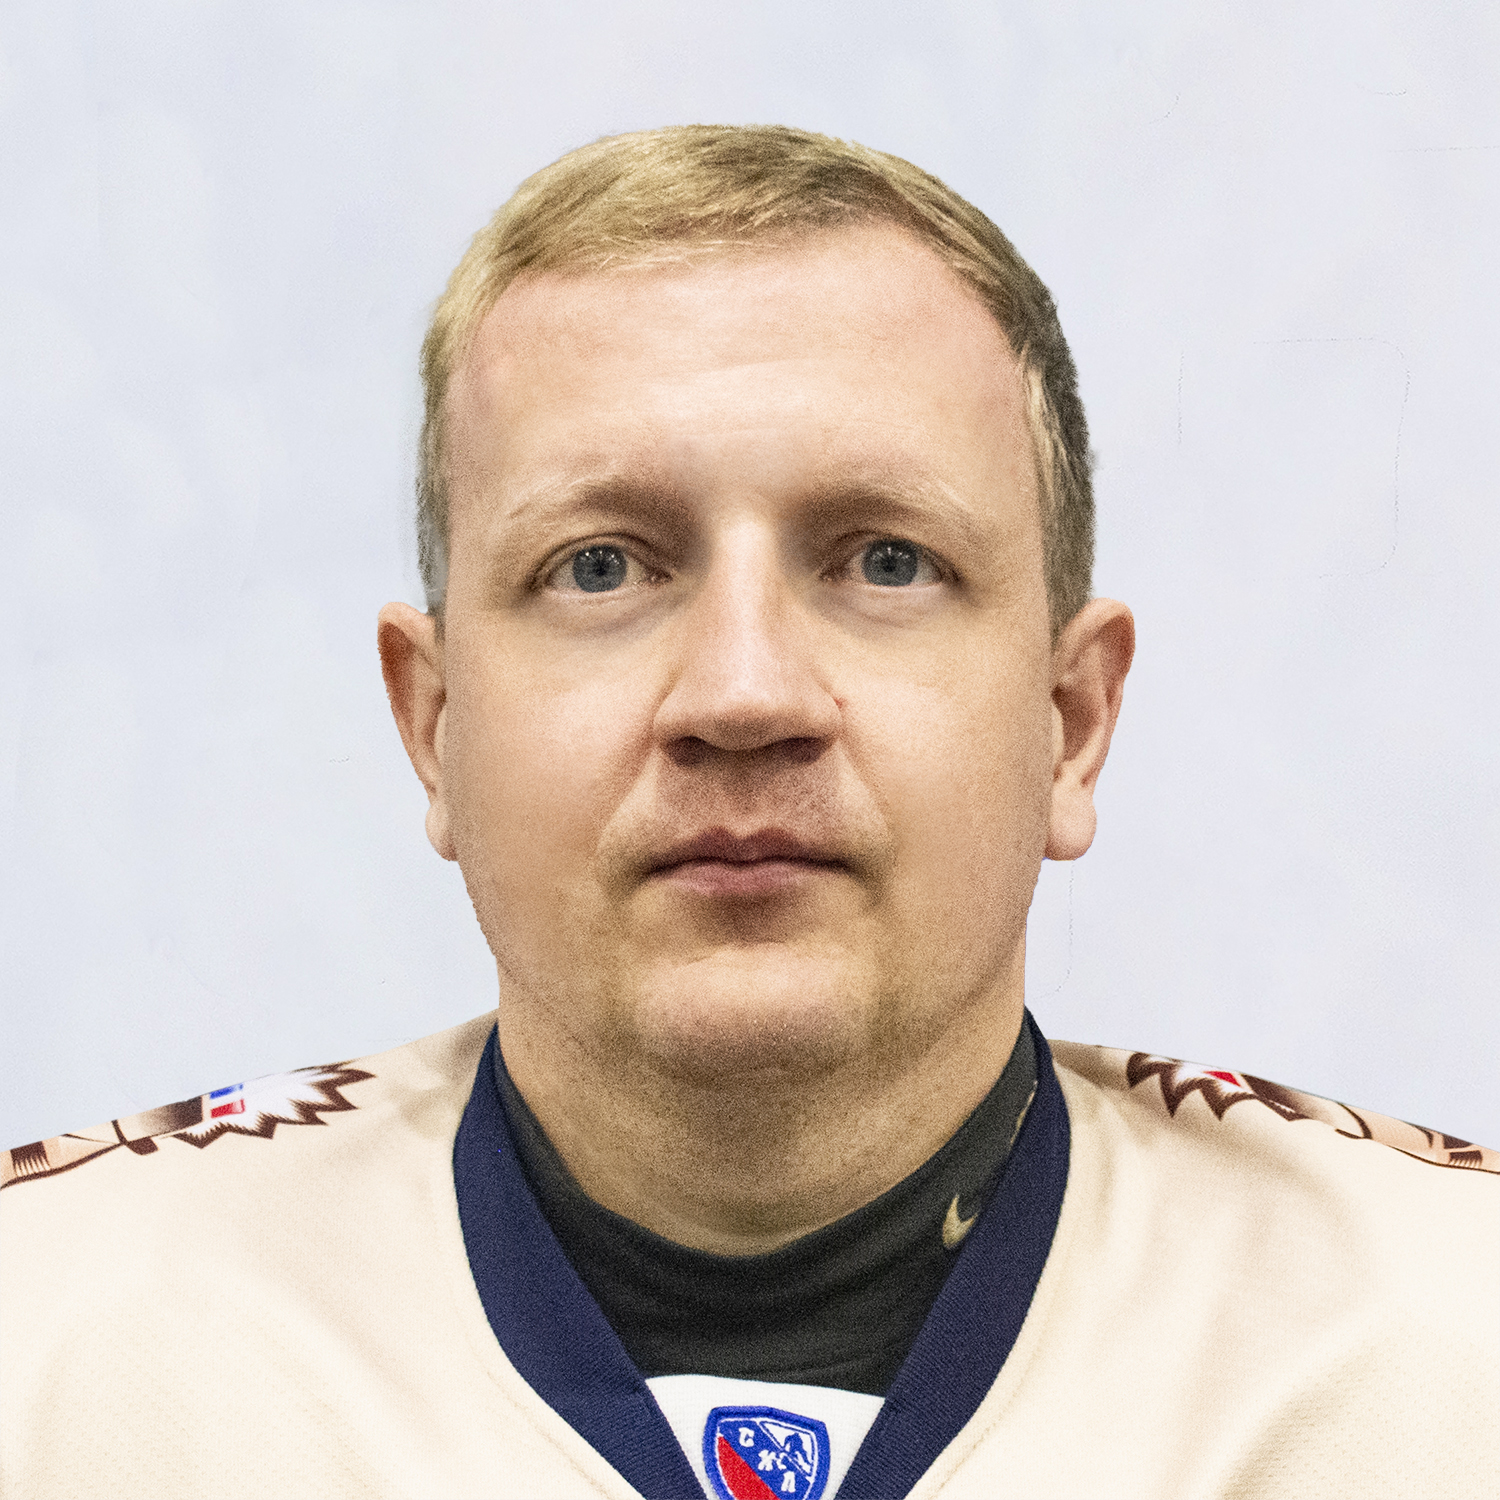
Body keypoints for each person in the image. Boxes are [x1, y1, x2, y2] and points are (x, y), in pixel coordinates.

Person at [1, 125, 1495, 1500]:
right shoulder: (47, 1346)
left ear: (1071, 721)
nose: (742, 691)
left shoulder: (1452, 1353)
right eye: (600, 566)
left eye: (886, 560)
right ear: (434, 725)